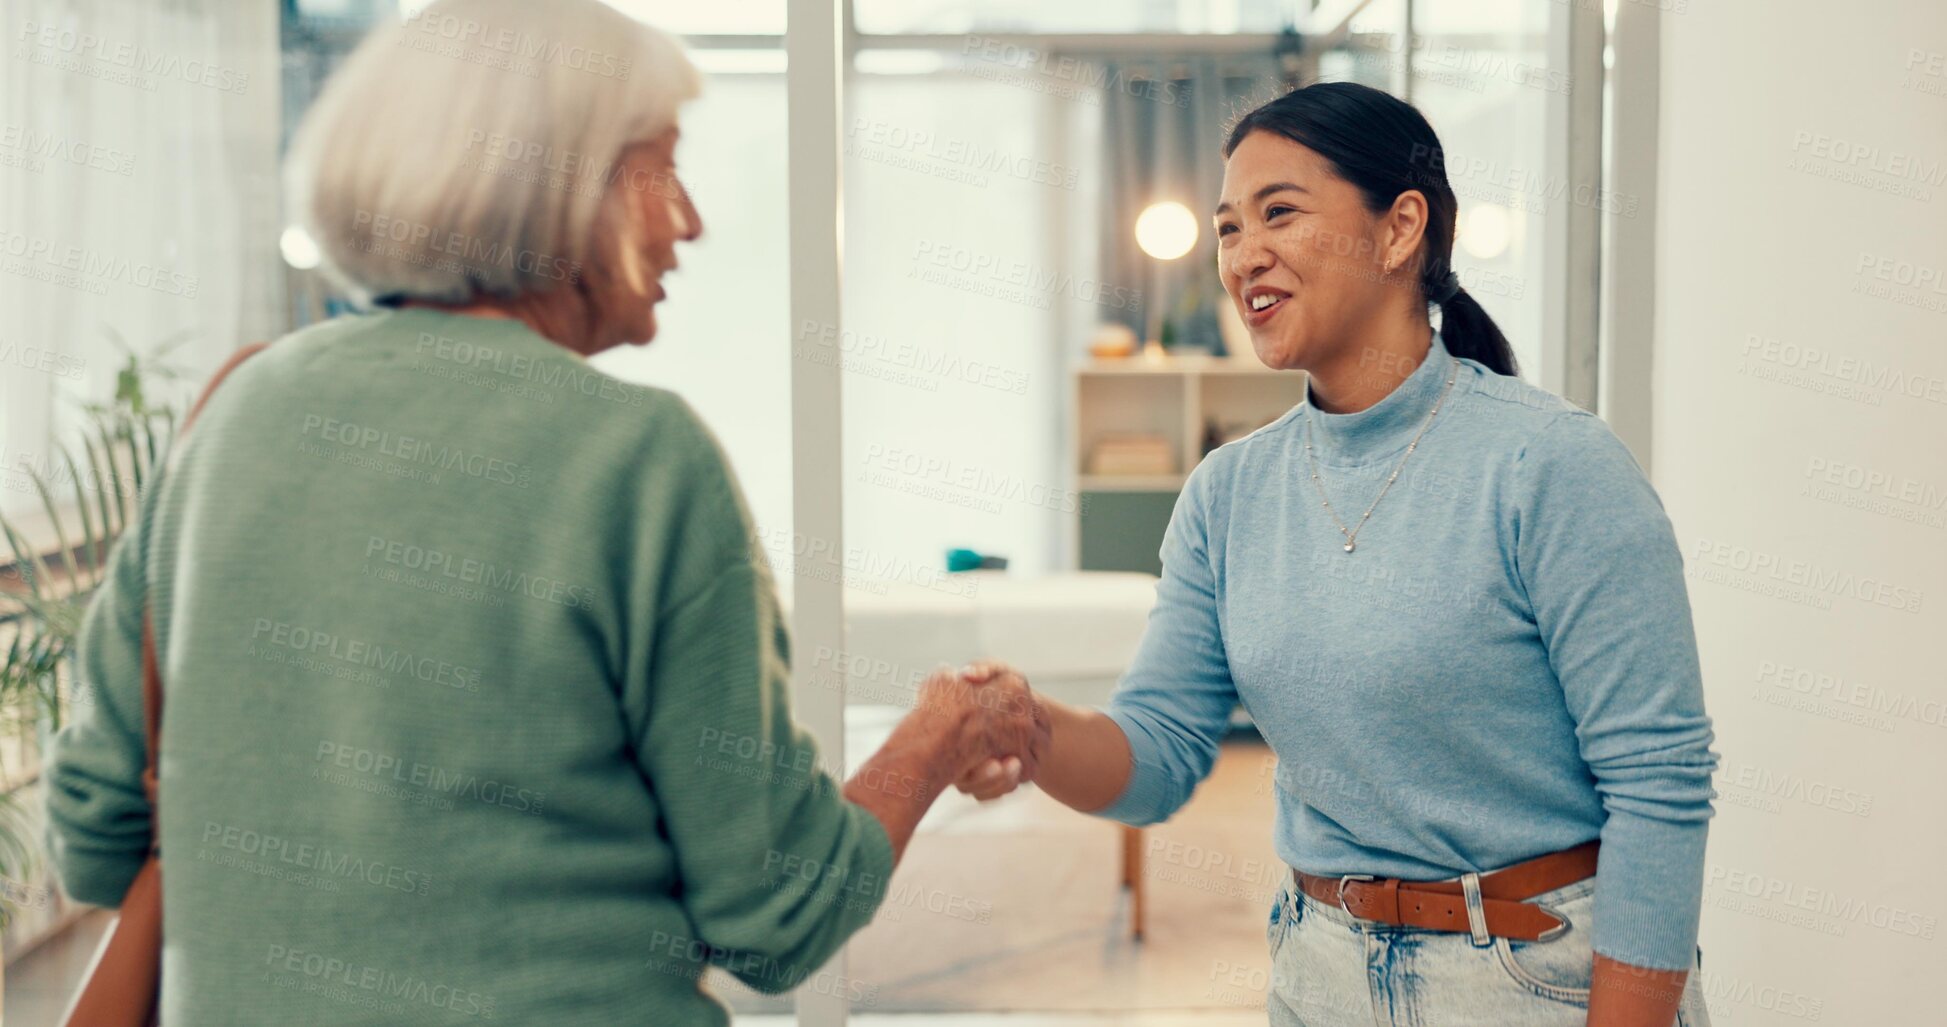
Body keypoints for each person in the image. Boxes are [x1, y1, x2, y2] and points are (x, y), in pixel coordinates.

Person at [42, 2, 1042, 1023]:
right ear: (558, 182)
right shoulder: (640, 459)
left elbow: (95, 832)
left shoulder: (230, 419)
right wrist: (938, 730)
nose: (689, 220)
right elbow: (775, 910)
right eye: (664, 170)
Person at [959, 82, 1718, 1027]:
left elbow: (1659, 777)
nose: (1243, 256)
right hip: (1319, 972)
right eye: (1229, 228)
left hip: (1533, 980)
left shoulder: (1550, 465)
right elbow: (1155, 755)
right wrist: (1030, 731)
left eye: (1279, 213)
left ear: (1400, 230)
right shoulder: (1227, 494)